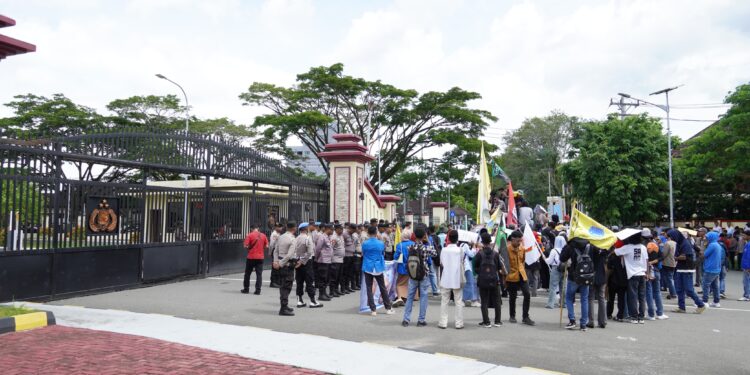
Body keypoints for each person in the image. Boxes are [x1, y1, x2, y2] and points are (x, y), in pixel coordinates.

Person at [401, 226, 438, 327]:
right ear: (424, 236)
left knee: (410, 296)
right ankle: (421, 320)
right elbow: (434, 253)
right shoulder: (425, 248)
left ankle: (406, 319)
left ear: (414, 235)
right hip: (423, 274)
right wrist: (428, 241)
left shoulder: (410, 247)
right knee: (423, 297)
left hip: (412, 274)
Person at [668, 229, 706, 314]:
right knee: (679, 289)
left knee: (689, 289)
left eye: (672, 237)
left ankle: (701, 305)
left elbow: (685, 256)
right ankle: (681, 307)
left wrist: (676, 258)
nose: (671, 239)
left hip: (686, 269)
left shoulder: (685, 244)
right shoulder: (679, 243)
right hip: (680, 268)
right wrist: (677, 257)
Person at [361, 225, 395, 316]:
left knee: (369, 288)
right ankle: (388, 308)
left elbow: (363, 253)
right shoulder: (380, 243)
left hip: (368, 266)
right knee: (382, 287)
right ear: (376, 233)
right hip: (378, 266)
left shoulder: (365, 243)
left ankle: (373, 310)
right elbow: (382, 252)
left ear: (368, 233)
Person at [474, 232, 505, 328]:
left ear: (482, 242)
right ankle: (497, 321)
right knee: (497, 301)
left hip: (483, 280)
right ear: (490, 242)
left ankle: (486, 322)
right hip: (494, 280)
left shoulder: (479, 254)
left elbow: (475, 267)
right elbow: (499, 267)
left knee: (484, 301)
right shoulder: (495, 254)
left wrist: (482, 273)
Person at [560, 237, 592, 330]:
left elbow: (562, 258)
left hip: (573, 276)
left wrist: (565, 247)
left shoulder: (570, 245)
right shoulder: (589, 244)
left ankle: (572, 320)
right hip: (586, 275)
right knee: (584, 299)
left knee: (569, 298)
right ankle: (583, 324)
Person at [439, 230, 467, 329]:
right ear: (457, 238)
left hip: (446, 277)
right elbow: (462, 260)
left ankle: (443, 322)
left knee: (444, 300)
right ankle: (459, 323)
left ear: (449, 238)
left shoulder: (443, 250)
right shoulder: (460, 250)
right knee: (458, 301)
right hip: (457, 278)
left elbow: (441, 263)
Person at [506, 230, 535, 326]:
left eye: (520, 241)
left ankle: (525, 317)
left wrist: (521, 269)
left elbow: (523, 261)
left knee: (527, 294)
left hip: (522, 274)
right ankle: (512, 315)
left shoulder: (522, 249)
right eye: (518, 241)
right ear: (512, 239)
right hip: (511, 275)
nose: (519, 243)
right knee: (512, 297)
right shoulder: (507, 249)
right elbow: (505, 264)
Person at [294, 222, 322, 309]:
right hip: (306, 262)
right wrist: (302, 261)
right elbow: (310, 252)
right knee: (309, 281)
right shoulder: (307, 238)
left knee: (299, 282)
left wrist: (298, 261)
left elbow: (294, 250)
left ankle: (299, 300)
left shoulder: (296, 238)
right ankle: (312, 301)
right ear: (306, 229)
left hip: (298, 261)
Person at [273, 222, 297, 316]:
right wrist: (281, 264)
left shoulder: (280, 237)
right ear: (294, 228)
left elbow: (276, 251)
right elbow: (289, 255)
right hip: (287, 265)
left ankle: (285, 306)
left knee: (283, 286)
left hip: (280, 264)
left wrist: (276, 262)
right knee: (286, 287)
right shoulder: (292, 239)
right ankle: (283, 308)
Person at [241, 224, 268, 295]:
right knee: (259, 275)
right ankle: (258, 290)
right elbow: (267, 246)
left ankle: (246, 289)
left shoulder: (249, 235)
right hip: (260, 257)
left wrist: (249, 248)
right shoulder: (263, 235)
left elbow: (245, 246)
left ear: (251, 229)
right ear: (258, 228)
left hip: (251, 257)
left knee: (247, 274)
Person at [588, 242, 609, 329]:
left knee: (591, 298)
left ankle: (591, 321)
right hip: (601, 275)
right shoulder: (604, 250)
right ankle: (603, 321)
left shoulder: (590, 249)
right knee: (601, 298)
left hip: (591, 275)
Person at [645, 240, 668, 320]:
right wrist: (654, 261)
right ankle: (660, 313)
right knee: (657, 292)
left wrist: (649, 263)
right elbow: (662, 257)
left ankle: (651, 315)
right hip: (656, 270)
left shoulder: (644, 247)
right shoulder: (655, 246)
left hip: (647, 271)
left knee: (649, 293)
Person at [393, 229, 414, 307]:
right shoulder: (413, 244)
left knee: (399, 283)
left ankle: (399, 298)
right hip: (412, 267)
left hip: (402, 267)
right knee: (407, 283)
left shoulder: (400, 245)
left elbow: (395, 256)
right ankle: (405, 297)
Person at [702, 231, 723, 308]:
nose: (705, 238)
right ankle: (716, 302)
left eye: (707, 237)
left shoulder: (711, 245)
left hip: (710, 268)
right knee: (715, 286)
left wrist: (704, 246)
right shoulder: (717, 245)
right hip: (716, 268)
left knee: (705, 285)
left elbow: (704, 254)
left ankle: (704, 301)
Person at [545, 234, 565, 309]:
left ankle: (551, 304)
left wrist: (545, 259)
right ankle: (563, 303)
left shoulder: (554, 250)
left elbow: (549, 261)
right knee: (563, 287)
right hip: (564, 269)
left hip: (555, 268)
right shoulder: (565, 250)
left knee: (553, 286)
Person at [315, 224, 334, 301]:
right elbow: (318, 249)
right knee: (322, 278)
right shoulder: (322, 237)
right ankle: (321, 294)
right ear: (327, 229)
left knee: (326, 278)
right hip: (323, 261)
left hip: (328, 261)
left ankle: (324, 293)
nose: (332, 231)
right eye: (331, 230)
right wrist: (317, 258)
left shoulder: (328, 237)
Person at [329, 224, 346, 297]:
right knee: (334, 277)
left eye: (342, 229)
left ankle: (336, 289)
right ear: (336, 229)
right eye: (340, 229)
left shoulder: (341, 236)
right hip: (335, 260)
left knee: (339, 276)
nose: (342, 231)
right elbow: (331, 248)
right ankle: (332, 291)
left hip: (341, 259)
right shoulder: (334, 237)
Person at [661, 232, 677, 299]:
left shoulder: (667, 243)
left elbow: (664, 254)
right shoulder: (675, 243)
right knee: (671, 278)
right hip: (674, 262)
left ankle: (673, 293)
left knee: (669, 279)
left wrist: (660, 258)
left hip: (667, 262)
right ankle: (673, 292)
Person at [268, 223, 283, 288]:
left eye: (281, 227)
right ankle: (273, 282)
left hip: (278, 251)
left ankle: (277, 281)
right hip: (274, 251)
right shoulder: (274, 234)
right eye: (279, 227)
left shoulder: (278, 234)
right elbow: (271, 245)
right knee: (275, 266)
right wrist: (270, 252)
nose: (281, 228)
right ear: (276, 227)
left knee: (278, 266)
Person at [740, 229, 750, 301]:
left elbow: (748, 256)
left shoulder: (749, 245)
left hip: (747, 266)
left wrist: (748, 266)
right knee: (746, 280)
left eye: (744, 235)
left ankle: (747, 295)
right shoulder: (747, 243)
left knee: (746, 281)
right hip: (746, 265)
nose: (743, 236)